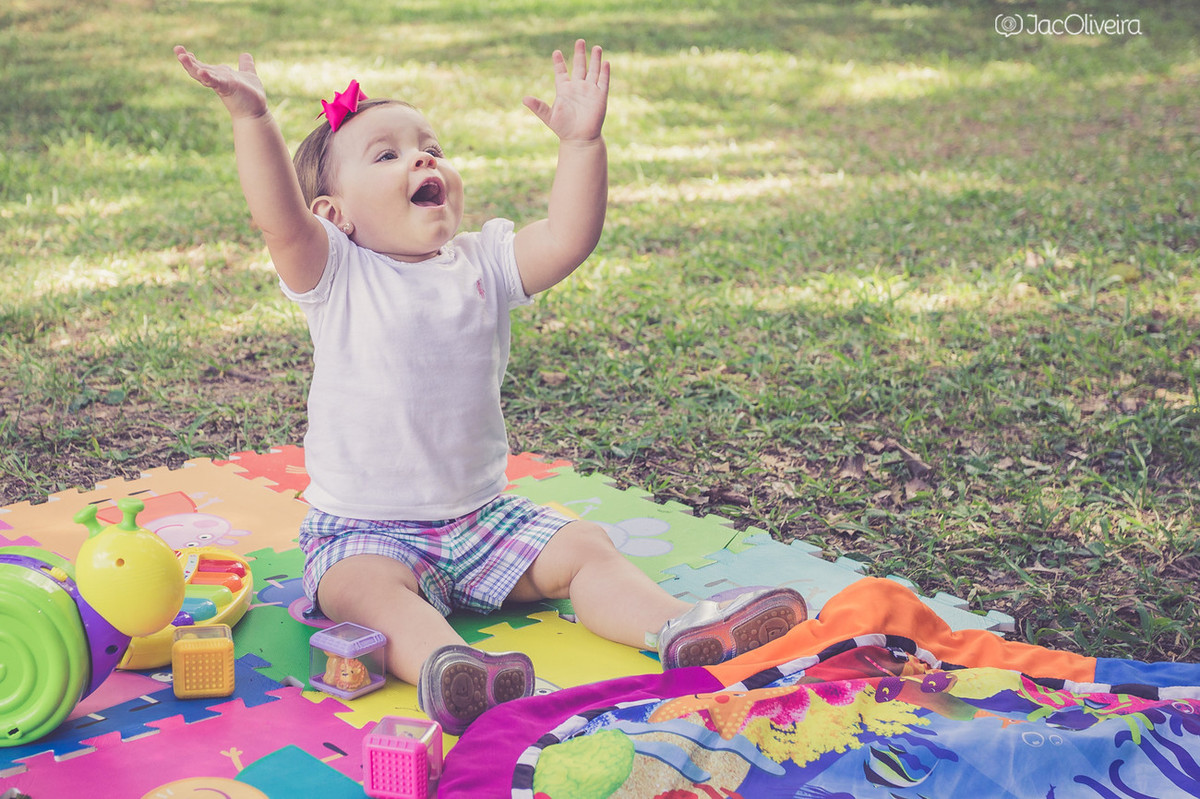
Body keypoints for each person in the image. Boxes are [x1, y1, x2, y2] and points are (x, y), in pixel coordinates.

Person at [174, 41, 807, 735]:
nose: (422, 159)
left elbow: (569, 235)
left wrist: (582, 142)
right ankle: (456, 669)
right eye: (386, 155)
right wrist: (251, 117)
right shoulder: (336, 275)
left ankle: (680, 628)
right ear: (334, 213)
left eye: (430, 147)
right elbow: (278, 218)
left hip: (484, 517)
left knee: (586, 547)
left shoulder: (484, 262)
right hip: (365, 528)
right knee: (363, 593)